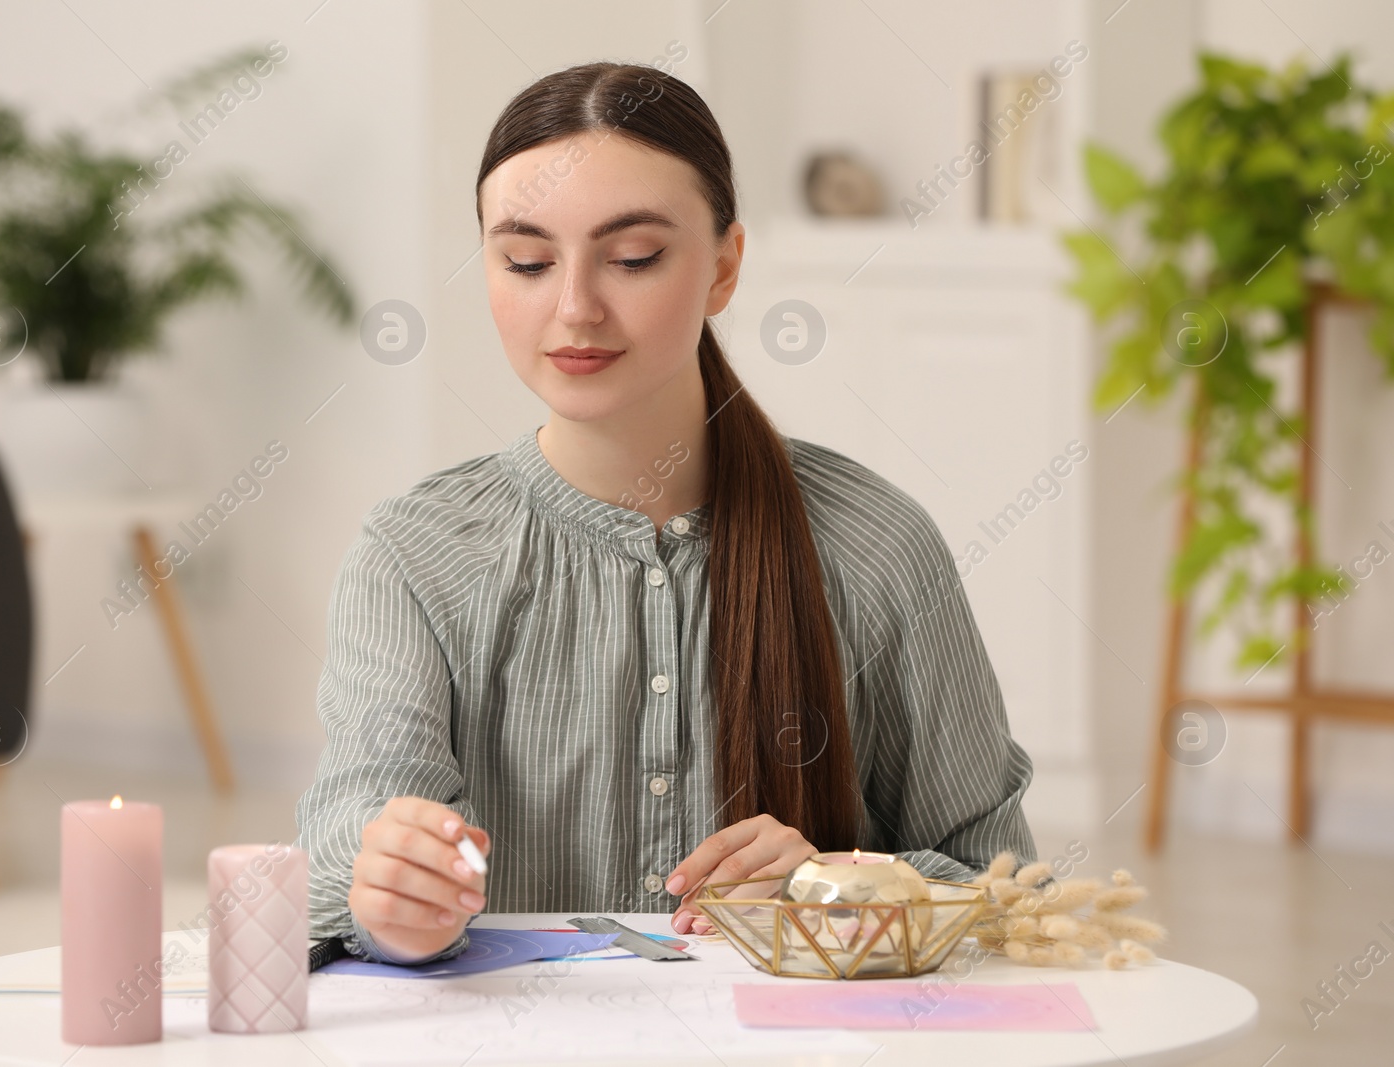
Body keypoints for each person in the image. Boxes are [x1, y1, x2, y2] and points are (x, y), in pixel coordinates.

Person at [295, 61, 1037, 966]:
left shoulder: (878, 547)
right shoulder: (413, 555)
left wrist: (833, 884)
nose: (574, 308)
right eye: (525, 261)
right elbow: (345, 851)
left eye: (633, 257)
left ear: (725, 266)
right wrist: (393, 893)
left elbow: (1006, 890)